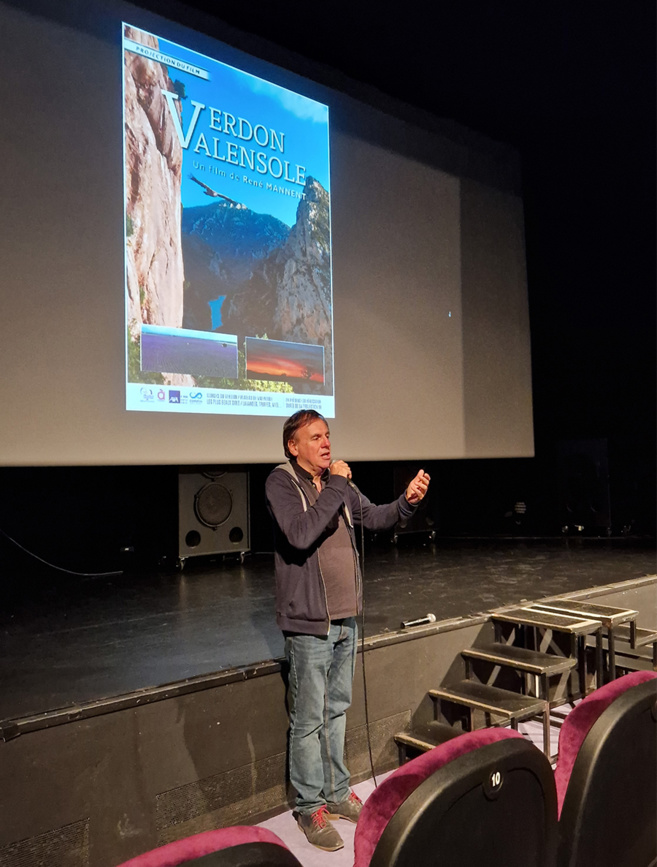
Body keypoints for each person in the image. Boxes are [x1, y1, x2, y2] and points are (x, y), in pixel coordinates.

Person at [265, 409, 430, 851]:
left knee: (336, 710)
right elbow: (301, 534)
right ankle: (309, 807)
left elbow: (374, 517)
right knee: (307, 720)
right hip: (309, 622)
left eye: (327, 435)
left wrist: (406, 502)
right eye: (315, 437)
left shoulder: (337, 484)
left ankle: (337, 793)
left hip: (345, 619)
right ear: (293, 446)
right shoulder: (282, 482)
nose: (326, 443)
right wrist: (336, 484)